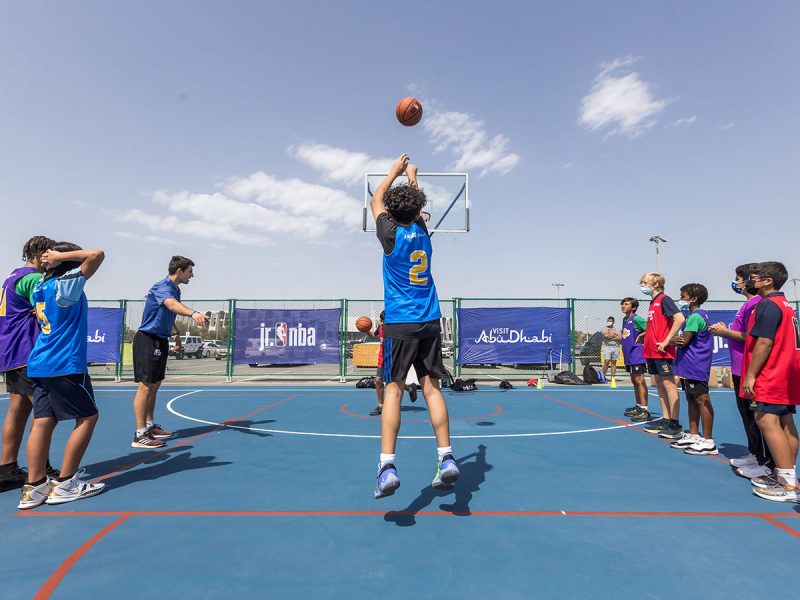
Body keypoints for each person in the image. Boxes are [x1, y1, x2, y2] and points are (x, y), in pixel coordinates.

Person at [370, 153, 459, 499]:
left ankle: (387, 465)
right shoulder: (423, 232)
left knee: (392, 389)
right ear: (419, 211)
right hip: (430, 321)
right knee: (432, 388)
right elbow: (415, 208)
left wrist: (393, 172)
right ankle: (446, 457)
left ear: (390, 213)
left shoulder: (390, 234)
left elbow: (376, 198)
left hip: (400, 324)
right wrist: (412, 177)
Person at [18, 243, 105, 509]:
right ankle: (66, 483)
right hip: (64, 363)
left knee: (43, 421)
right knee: (88, 416)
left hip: (40, 363)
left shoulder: (39, 288)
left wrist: (54, 261)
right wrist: (59, 256)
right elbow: (96, 255)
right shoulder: (65, 285)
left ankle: (34, 488)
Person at [0, 236, 60, 492]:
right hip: (26, 350)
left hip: (10, 350)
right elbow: (48, 309)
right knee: (45, 412)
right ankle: (40, 470)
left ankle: (6, 469)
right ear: (39, 254)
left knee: (18, 410)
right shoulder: (34, 279)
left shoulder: (10, 278)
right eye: (49, 255)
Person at [131, 256, 208, 448]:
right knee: (145, 386)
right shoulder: (162, 287)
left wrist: (176, 335)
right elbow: (172, 306)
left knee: (155, 385)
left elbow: (167, 313)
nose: (193, 275)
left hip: (161, 339)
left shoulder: (175, 290)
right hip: (148, 339)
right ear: (180, 271)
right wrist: (194, 313)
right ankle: (140, 434)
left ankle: (149, 426)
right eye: (190, 271)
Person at [739, 262, 800, 502]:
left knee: (765, 419)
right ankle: (787, 475)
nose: (751, 281)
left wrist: (751, 374)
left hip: (772, 372)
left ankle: (787, 484)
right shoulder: (785, 305)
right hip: (786, 371)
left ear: (768, 281)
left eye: (755, 277)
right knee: (785, 422)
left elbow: (764, 342)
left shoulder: (768, 304)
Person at [709, 263, 772, 478]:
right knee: (746, 415)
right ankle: (755, 453)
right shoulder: (747, 305)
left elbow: (751, 337)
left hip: (749, 366)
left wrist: (724, 332)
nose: (735, 283)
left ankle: (765, 460)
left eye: (738, 279)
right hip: (739, 367)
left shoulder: (755, 304)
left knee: (756, 417)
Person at [670, 283, 717, 455]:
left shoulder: (696, 317)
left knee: (702, 400)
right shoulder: (692, 316)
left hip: (696, 364)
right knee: (691, 398)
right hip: (688, 365)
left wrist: (665, 338)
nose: (681, 299)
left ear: (694, 298)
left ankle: (708, 439)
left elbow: (684, 341)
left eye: (683, 296)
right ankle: (693, 434)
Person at [640, 273, 686, 440]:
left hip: (662, 351)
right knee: (659, 385)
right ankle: (666, 420)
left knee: (669, 385)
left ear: (656, 283)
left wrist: (666, 340)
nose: (642, 285)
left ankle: (675, 423)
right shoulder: (652, 302)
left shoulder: (664, 299)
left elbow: (679, 318)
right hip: (652, 350)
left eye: (645, 282)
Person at [618, 298, 649, 422]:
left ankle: (645, 409)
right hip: (628, 354)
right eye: (622, 304)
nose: (622, 306)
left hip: (637, 353)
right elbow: (626, 335)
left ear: (634, 307)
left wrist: (642, 334)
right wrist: (617, 337)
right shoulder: (625, 320)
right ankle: (638, 406)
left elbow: (652, 329)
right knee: (634, 380)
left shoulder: (637, 319)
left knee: (639, 380)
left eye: (626, 304)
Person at [600, 316, 621, 380]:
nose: (609, 322)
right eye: (608, 321)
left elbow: (620, 337)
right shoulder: (604, 328)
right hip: (607, 347)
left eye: (611, 321)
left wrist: (613, 335)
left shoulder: (617, 329)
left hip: (615, 347)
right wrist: (615, 335)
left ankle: (613, 377)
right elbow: (606, 336)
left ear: (613, 322)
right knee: (606, 361)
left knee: (614, 362)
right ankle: (603, 376)